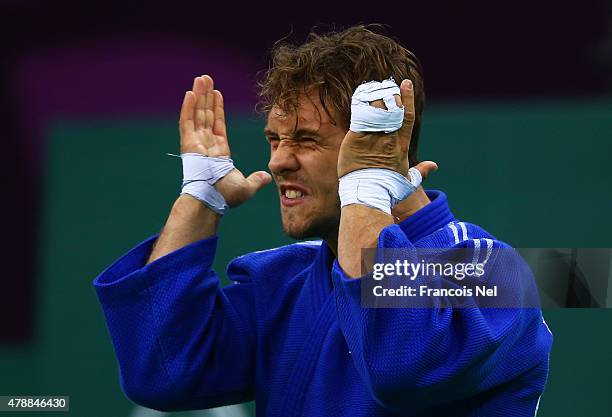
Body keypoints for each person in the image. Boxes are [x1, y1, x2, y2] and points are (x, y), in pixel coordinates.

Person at [94, 25, 552, 416]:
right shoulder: (282, 281)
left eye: (306, 140)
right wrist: (199, 196)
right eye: (274, 139)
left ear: (386, 143)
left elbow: (399, 369)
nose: (277, 163)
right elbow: (161, 371)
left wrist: (366, 192)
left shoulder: (497, 272)